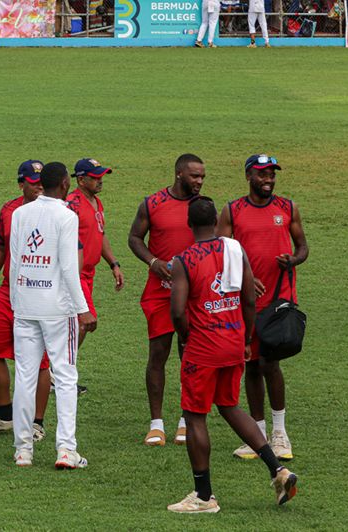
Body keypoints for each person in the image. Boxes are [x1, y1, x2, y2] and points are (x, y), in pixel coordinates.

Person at [167, 196, 298, 513]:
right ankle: (277, 469)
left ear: (189, 224)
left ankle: (203, 496)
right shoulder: (234, 249)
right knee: (228, 405)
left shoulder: (184, 260)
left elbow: (177, 311)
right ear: (215, 221)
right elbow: (249, 299)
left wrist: (186, 338)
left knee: (195, 416)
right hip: (234, 338)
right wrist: (247, 338)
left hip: (204, 344)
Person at [216, 154, 308, 461]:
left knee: (270, 363)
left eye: (271, 174)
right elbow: (219, 252)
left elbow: (302, 247)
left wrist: (294, 259)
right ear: (248, 176)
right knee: (251, 364)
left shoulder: (287, 207)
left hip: (279, 299)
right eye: (262, 174)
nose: (268, 179)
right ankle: (257, 435)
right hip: (246, 303)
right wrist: (244, 278)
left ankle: (280, 433)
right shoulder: (232, 210)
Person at [9, 162, 97, 469]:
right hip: (58, 309)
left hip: (26, 305)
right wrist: (83, 308)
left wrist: (17, 303)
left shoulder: (21, 214)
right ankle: (65, 450)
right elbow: (68, 268)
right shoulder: (66, 216)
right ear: (64, 185)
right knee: (65, 375)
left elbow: (16, 260)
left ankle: (23, 450)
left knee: (25, 376)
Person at [127, 154, 205, 447]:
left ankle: (187, 419)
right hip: (160, 293)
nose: (199, 182)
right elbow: (134, 237)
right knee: (158, 354)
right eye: (194, 176)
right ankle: (156, 423)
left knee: (190, 356)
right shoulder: (153, 203)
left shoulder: (204, 206)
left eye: (202, 177)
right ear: (179, 174)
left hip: (195, 296)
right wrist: (152, 261)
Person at [0, 160, 51, 441]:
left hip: (39, 294)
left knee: (40, 361)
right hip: (9, 291)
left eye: (43, 182)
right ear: (21, 184)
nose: (39, 187)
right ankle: (5, 414)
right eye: (33, 183)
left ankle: (36, 422)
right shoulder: (9, 210)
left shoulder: (56, 212)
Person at [66, 158, 124, 394]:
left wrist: (114, 263)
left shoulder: (96, 202)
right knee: (85, 322)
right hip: (75, 274)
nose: (100, 181)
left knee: (76, 325)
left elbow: (100, 235)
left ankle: (58, 370)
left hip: (89, 274)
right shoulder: (71, 204)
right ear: (81, 180)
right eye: (95, 177)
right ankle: (60, 371)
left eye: (101, 176)